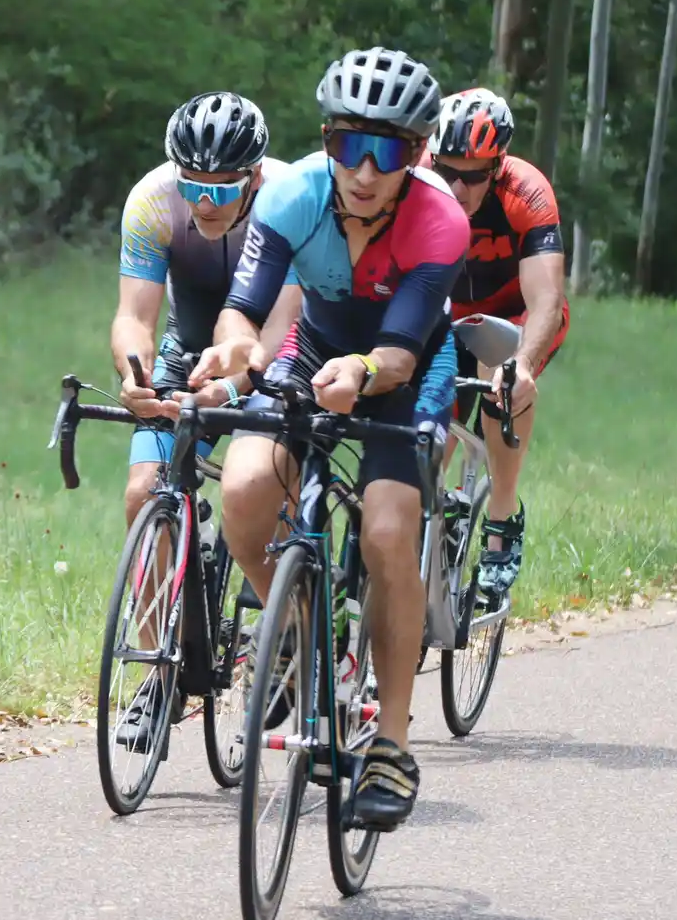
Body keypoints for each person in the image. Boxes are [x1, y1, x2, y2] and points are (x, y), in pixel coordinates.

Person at [189, 47, 468, 829]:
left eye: (387, 152)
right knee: (244, 488)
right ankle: (296, 626)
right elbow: (244, 308)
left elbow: (401, 350)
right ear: (325, 142)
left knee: (385, 530)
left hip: (402, 363)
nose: (366, 170)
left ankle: (391, 742)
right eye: (350, 146)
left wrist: (362, 369)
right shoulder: (291, 195)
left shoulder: (439, 220)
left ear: (414, 156)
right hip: (312, 346)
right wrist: (237, 347)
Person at [109, 91, 301, 749]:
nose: (206, 203)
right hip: (185, 354)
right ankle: (155, 678)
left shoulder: (292, 199)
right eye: (194, 185)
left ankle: (285, 636)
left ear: (253, 177)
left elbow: (280, 332)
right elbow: (135, 316)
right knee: (144, 492)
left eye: (223, 188)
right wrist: (133, 378)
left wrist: (239, 382)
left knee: (260, 499)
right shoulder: (152, 200)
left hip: (268, 359)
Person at [427, 87, 568, 596]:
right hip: (445, 313)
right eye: (448, 172)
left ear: (498, 165)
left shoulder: (525, 192)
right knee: (426, 427)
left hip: (513, 315)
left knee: (500, 381)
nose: (458, 188)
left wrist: (524, 363)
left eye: (474, 176)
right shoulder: (418, 179)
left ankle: (503, 512)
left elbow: (547, 298)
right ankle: (429, 520)